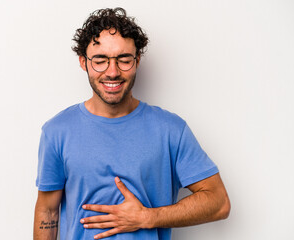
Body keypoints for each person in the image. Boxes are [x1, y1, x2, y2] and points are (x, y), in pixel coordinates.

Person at [33, 7, 230, 240]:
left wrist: (147, 217)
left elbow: (219, 203)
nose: (113, 72)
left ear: (137, 61)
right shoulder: (57, 132)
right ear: (83, 62)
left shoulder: (171, 130)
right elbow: (48, 210)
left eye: (124, 59)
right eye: (100, 60)